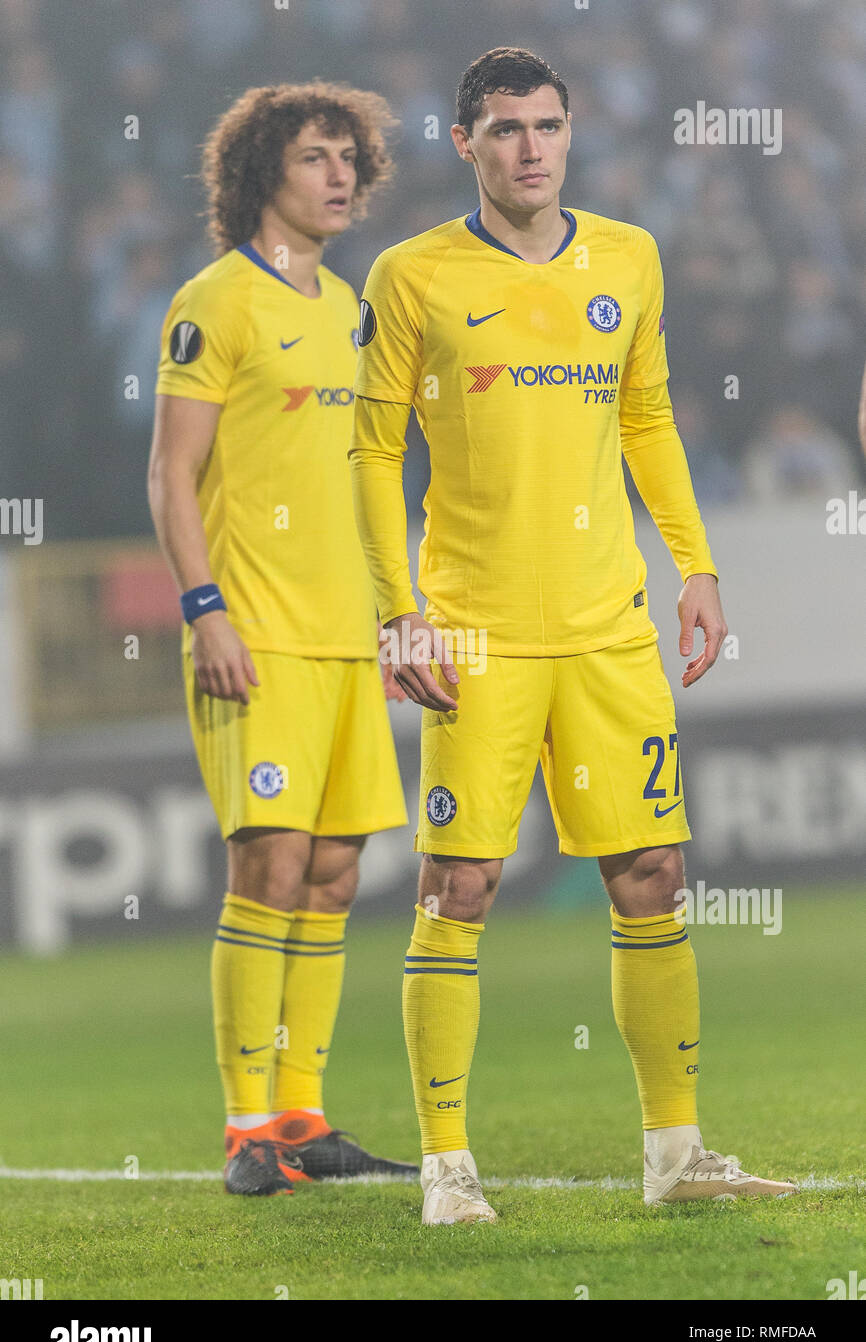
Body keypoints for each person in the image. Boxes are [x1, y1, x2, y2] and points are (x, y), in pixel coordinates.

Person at [350, 47, 798, 1224]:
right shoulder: (410, 275)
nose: (530, 148)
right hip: (475, 631)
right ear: (463, 143)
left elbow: (644, 413)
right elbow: (369, 451)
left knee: (649, 876)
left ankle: (675, 1152)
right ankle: (446, 1168)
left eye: (547, 125)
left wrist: (694, 566)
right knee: (460, 883)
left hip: (607, 626)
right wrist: (396, 612)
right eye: (503, 129)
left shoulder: (628, 258)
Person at [148, 82, 415, 1196]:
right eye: (317, 157)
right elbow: (170, 472)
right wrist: (204, 608)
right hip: (251, 634)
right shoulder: (214, 302)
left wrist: (393, 613)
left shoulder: (347, 304)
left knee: (336, 870)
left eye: (350, 157)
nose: (342, 175)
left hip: (344, 635)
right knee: (267, 860)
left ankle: (300, 1114)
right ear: (266, 173)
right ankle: (245, 1126)